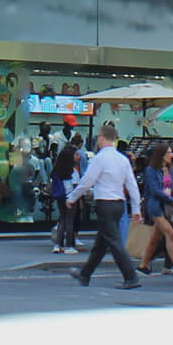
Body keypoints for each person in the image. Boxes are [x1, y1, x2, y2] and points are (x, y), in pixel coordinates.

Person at [65, 123, 143, 290]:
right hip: (119, 204)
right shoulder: (122, 159)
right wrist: (136, 208)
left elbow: (87, 181)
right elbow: (132, 185)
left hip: (104, 203)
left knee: (114, 242)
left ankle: (131, 276)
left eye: (98, 137)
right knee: (101, 243)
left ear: (102, 138)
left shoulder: (99, 158)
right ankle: (85, 275)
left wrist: (72, 197)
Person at [136, 141, 173, 275]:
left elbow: (171, 187)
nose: (171, 155)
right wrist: (170, 200)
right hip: (156, 207)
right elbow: (155, 190)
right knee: (170, 234)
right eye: (168, 152)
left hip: (166, 207)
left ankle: (143, 266)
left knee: (155, 239)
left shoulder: (169, 169)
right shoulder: (151, 169)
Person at [49, 138, 84, 253]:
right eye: (76, 154)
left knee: (62, 220)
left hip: (61, 196)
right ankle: (69, 245)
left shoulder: (58, 170)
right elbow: (76, 186)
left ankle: (58, 245)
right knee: (70, 221)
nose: (78, 156)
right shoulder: (73, 171)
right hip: (71, 197)